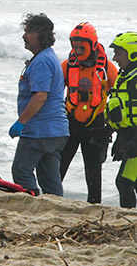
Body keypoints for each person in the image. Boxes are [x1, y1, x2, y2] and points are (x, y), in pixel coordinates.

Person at [9, 13, 68, 196]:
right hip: (57, 131)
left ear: (42, 35)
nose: (24, 36)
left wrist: (21, 122)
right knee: (50, 179)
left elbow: (40, 96)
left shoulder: (42, 61)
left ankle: (31, 203)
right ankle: (56, 209)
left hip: (40, 130)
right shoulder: (49, 57)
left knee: (21, 170)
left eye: (29, 32)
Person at [59, 22, 117, 204]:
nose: (77, 50)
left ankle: (94, 205)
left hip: (96, 125)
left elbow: (120, 97)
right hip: (70, 123)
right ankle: (50, 199)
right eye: (74, 46)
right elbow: (52, 92)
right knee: (58, 166)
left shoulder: (108, 68)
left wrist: (111, 127)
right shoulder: (67, 66)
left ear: (92, 45)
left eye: (81, 47)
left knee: (93, 172)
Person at [105, 32, 137, 208]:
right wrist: (110, 135)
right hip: (129, 136)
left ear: (132, 53)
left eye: (118, 53)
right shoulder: (125, 77)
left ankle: (128, 221)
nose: (114, 58)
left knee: (124, 181)